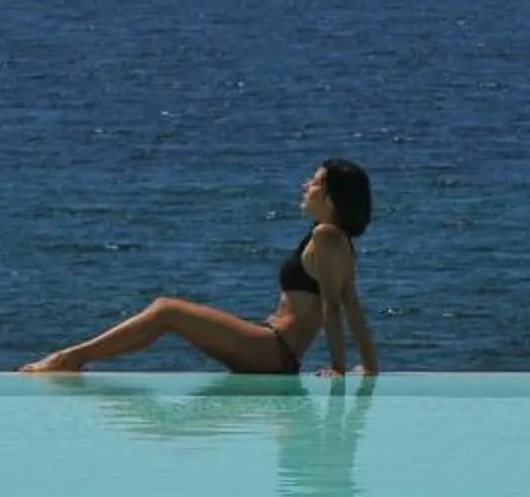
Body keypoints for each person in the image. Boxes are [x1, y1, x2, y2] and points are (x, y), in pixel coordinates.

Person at [20, 159, 378, 376]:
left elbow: (334, 306)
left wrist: (339, 368)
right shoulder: (337, 240)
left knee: (167, 310)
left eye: (314, 182)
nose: (306, 186)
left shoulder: (326, 237)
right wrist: (370, 365)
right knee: (167, 313)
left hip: (273, 350)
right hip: (271, 346)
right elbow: (352, 304)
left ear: (331, 198)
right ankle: (74, 358)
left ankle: (72, 358)